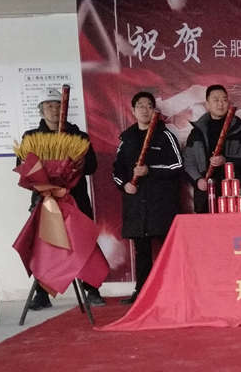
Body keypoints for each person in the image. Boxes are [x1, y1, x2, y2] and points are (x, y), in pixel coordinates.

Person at [19, 87, 105, 309]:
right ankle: (42, 294)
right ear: (41, 110)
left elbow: (92, 167)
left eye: (58, 105)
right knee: (44, 246)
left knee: (83, 242)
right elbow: (22, 167)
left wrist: (77, 166)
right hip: (45, 201)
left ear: (65, 109)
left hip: (75, 201)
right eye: (48, 106)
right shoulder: (31, 138)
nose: (54, 109)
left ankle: (92, 289)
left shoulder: (79, 137)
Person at [113, 91, 183, 304]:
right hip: (136, 204)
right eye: (140, 106)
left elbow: (177, 165)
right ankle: (142, 293)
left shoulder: (165, 135)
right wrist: (124, 185)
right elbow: (117, 169)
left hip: (161, 204)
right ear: (133, 111)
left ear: (154, 110)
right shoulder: (126, 138)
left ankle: (173, 290)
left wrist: (149, 170)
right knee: (141, 251)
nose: (145, 110)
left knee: (168, 249)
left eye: (149, 106)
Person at [184, 85, 241, 213]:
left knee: (237, 225)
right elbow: (188, 161)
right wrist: (198, 180)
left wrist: (225, 160)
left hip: (234, 193)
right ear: (207, 104)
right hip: (206, 193)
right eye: (216, 100)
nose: (221, 104)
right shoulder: (197, 132)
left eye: (224, 100)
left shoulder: (239, 128)